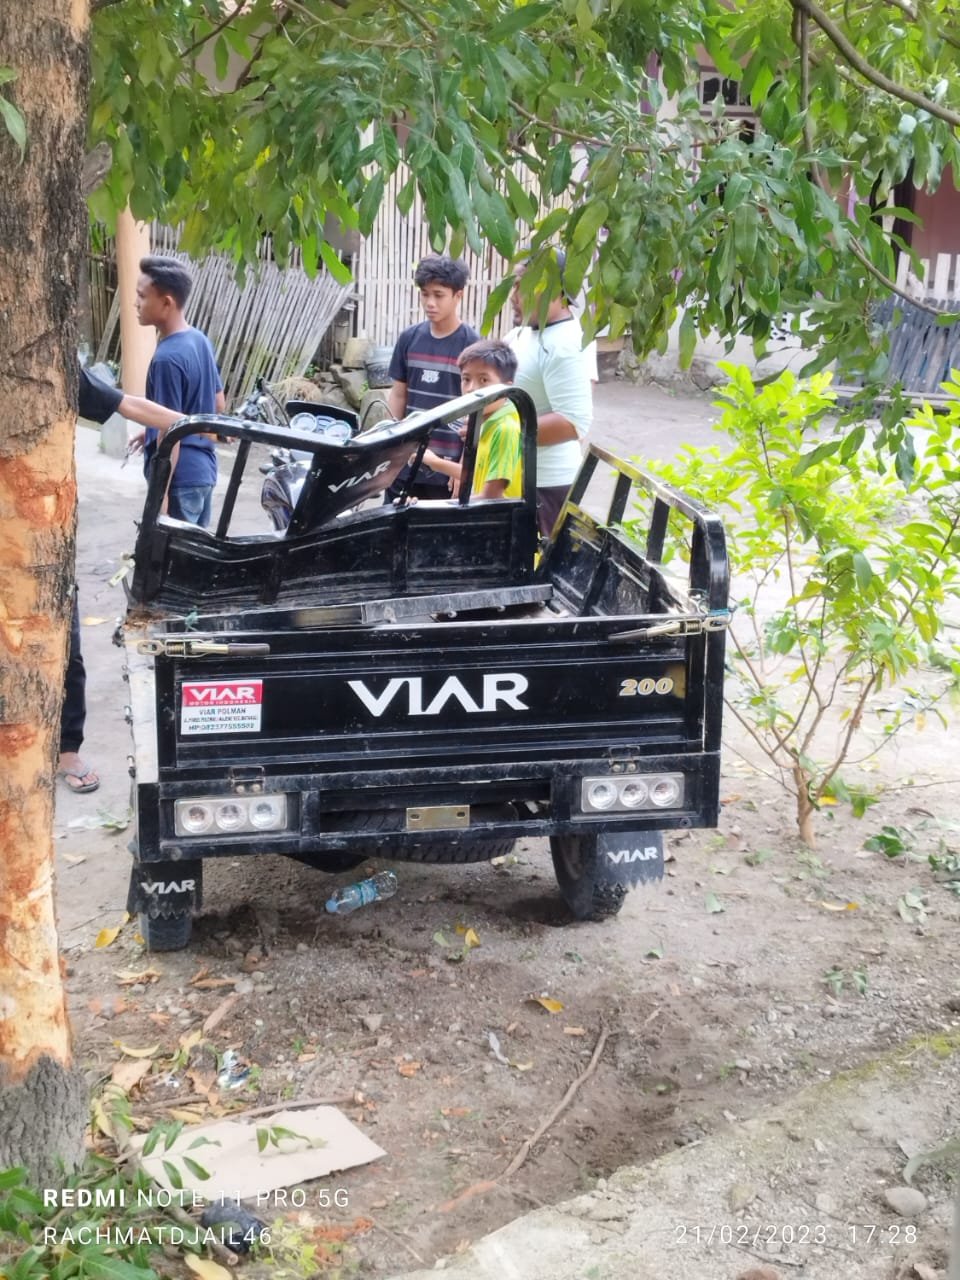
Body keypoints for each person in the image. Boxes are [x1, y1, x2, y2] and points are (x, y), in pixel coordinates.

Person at [59, 365, 185, 794]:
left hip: (40, 552)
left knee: (67, 654)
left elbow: (124, 403)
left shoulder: (43, 365)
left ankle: (67, 750)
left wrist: (185, 423)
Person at [506, 249, 593, 536]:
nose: (512, 297)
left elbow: (572, 422)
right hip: (514, 477)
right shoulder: (522, 334)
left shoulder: (565, 344)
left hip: (546, 488)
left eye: (521, 287)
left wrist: (500, 431)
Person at [136, 255, 225, 527]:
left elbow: (171, 431)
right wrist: (149, 431)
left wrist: (161, 498)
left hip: (178, 481)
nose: (136, 303)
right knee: (195, 554)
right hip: (203, 475)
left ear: (166, 303)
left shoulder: (167, 359)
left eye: (142, 296)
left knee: (166, 554)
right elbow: (218, 404)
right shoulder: (199, 340)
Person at [384, 254, 480, 501]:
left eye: (438, 295)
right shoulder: (409, 338)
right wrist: (389, 446)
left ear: (458, 296)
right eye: (425, 294)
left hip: (446, 468)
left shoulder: (473, 346)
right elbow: (399, 394)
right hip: (405, 462)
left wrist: (464, 465)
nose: (430, 303)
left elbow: (477, 410)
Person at [419, 340, 522, 500]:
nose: (471, 389)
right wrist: (434, 462)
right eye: (466, 379)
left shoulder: (504, 429)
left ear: (506, 388)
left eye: (484, 380)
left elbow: (491, 497)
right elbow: (479, 475)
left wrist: (439, 508)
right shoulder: (487, 423)